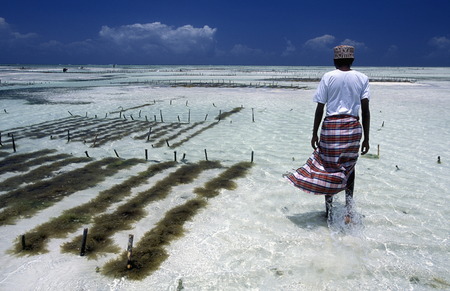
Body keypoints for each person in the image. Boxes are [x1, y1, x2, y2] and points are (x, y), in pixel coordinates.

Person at [285, 45, 371, 223]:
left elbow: (320, 108)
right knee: (349, 168)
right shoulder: (362, 78)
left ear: (334, 60)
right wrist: (367, 138)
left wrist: (314, 132)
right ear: (352, 60)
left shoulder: (328, 77)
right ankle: (348, 211)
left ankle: (329, 211)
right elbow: (365, 110)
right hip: (353, 127)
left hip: (331, 126)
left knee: (328, 168)